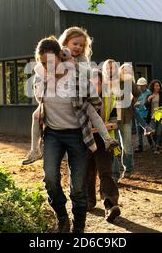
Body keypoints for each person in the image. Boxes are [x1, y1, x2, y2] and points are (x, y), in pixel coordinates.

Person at [22, 27, 119, 165]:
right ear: (66, 42)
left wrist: (74, 66)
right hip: (54, 101)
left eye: (82, 45)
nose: (78, 47)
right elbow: (41, 68)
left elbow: (86, 75)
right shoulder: (57, 54)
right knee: (36, 116)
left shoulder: (82, 60)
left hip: (77, 95)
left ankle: (107, 139)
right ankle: (35, 149)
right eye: (75, 43)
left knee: (91, 111)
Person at [34, 37, 101, 233]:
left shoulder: (76, 77)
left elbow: (96, 101)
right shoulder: (40, 79)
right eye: (43, 63)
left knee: (78, 186)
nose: (48, 67)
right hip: (53, 134)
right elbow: (40, 104)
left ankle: (78, 227)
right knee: (50, 178)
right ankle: (62, 218)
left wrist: (91, 119)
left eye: (52, 62)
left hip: (77, 135)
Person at [87, 68, 121, 222]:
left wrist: (106, 126)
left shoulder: (110, 98)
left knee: (105, 172)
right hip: (84, 141)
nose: (94, 85)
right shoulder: (80, 98)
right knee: (87, 173)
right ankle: (88, 201)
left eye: (98, 82)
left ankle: (110, 205)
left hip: (104, 141)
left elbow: (115, 121)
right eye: (91, 82)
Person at [104, 61, 140, 182]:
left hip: (125, 117)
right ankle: (115, 173)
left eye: (113, 68)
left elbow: (137, 93)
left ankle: (128, 168)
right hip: (111, 119)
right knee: (113, 145)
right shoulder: (105, 82)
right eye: (108, 68)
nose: (111, 70)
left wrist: (131, 103)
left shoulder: (125, 81)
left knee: (127, 145)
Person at [145, 79, 162, 154]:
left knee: (159, 132)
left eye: (158, 85)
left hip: (161, 116)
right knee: (153, 132)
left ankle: (158, 147)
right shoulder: (149, 95)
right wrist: (148, 100)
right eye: (156, 86)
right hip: (152, 117)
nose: (157, 87)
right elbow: (146, 106)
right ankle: (156, 145)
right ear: (153, 87)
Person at [134, 77, 154, 152]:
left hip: (146, 115)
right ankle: (140, 147)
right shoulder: (135, 93)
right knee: (139, 132)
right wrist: (135, 104)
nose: (141, 87)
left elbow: (150, 103)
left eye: (142, 85)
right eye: (139, 85)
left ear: (145, 85)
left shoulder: (149, 93)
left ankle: (152, 145)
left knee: (147, 131)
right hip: (137, 114)